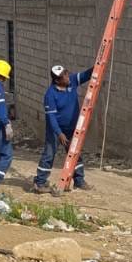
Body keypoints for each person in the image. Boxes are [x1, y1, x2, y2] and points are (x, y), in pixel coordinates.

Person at [31, 62, 94, 192]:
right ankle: (40, 182)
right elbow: (51, 117)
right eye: (64, 76)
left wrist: (96, 67)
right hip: (56, 130)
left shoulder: (71, 81)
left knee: (75, 153)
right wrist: (59, 133)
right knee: (49, 154)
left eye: (66, 73)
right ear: (57, 81)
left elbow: (86, 75)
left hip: (71, 128)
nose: (67, 77)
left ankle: (79, 181)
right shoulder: (50, 95)